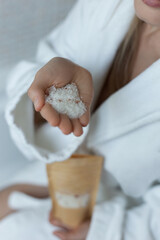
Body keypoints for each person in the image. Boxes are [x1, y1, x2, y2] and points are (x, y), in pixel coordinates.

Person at [1, 0, 160, 239]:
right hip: (56, 174)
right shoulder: (106, 5)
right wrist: (43, 91)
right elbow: (28, 79)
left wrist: (108, 230)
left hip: (129, 215)